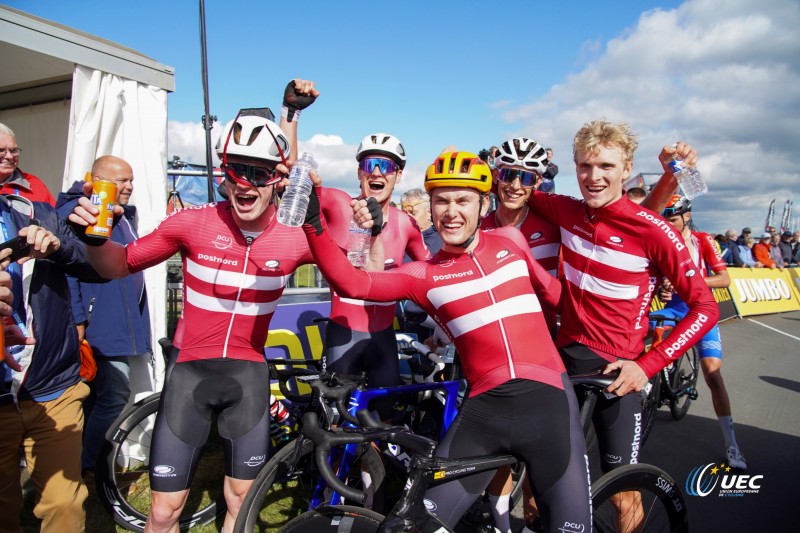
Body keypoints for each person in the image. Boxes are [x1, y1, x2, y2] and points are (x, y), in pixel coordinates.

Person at [66, 80, 359, 533]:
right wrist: (94, 240)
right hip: (190, 375)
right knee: (164, 511)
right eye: (238, 169)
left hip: (247, 377)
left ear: (279, 179)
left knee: (241, 500)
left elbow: (347, 258)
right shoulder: (192, 223)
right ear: (223, 172)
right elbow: (117, 266)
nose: (246, 183)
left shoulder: (295, 236)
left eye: (260, 173)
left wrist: (329, 194)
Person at [301, 150, 593, 532]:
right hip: (485, 414)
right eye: (441, 200)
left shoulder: (510, 240)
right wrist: (312, 224)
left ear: (483, 204)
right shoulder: (423, 274)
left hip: (549, 405)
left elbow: (556, 296)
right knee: (418, 526)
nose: (451, 211)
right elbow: (353, 282)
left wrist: (601, 344)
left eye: (462, 200)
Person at [522, 121, 719, 531]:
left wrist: (647, 365)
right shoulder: (566, 209)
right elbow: (515, 188)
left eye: (606, 166)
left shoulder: (653, 229)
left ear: (627, 168)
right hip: (565, 361)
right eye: (585, 166)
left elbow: (705, 308)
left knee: (624, 496)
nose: (594, 177)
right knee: (536, 482)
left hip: (619, 373)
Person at [0, 194, 102, 533]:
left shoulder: (32, 211)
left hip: (53, 386)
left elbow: (96, 267)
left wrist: (59, 248)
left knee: (65, 505)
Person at [55, 155, 152, 479]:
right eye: (121, 180)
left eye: (131, 179)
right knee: (114, 394)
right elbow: (66, 268)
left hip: (117, 323)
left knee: (99, 395)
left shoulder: (124, 216)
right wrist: (79, 317)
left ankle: (83, 463)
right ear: (96, 181)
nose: (129, 186)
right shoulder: (80, 213)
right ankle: (88, 466)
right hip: (99, 325)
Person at [321, 134, 429, 413]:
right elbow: (294, 187)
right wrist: (291, 115)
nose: (378, 172)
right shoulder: (338, 204)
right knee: (336, 422)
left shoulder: (406, 224)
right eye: (370, 165)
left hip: (384, 339)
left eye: (386, 166)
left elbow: (434, 270)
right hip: (343, 337)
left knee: (384, 421)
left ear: (398, 175)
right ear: (359, 172)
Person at [656, 195, 746, 469]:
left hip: (700, 310)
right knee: (637, 345)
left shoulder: (704, 240)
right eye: (665, 221)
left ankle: (732, 446)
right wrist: (662, 287)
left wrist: (687, 280)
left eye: (672, 220)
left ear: (686, 216)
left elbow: (724, 278)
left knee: (713, 374)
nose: (668, 226)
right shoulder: (660, 239)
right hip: (672, 310)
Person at [0, 123, 56, 206]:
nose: (9, 156)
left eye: (13, 150)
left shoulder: (34, 184)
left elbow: (54, 217)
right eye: (1, 150)